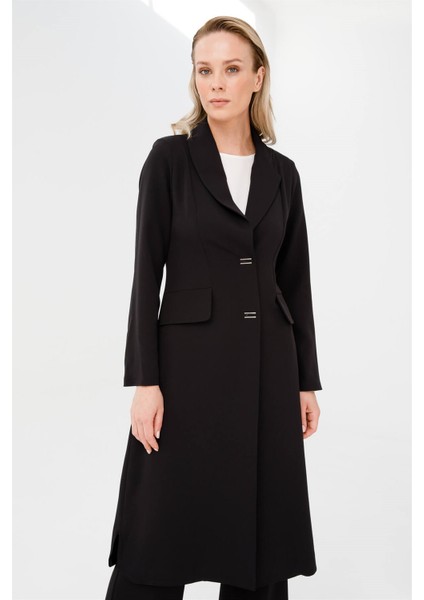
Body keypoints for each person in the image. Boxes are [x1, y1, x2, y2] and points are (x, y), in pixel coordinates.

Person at [105, 15, 323, 600]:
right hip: (186, 373)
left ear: (258, 77)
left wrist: (305, 380)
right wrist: (145, 382)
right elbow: (145, 276)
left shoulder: (283, 174)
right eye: (205, 70)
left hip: (268, 372)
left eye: (231, 69)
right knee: (156, 537)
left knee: (259, 543)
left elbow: (295, 283)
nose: (217, 83)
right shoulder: (169, 160)